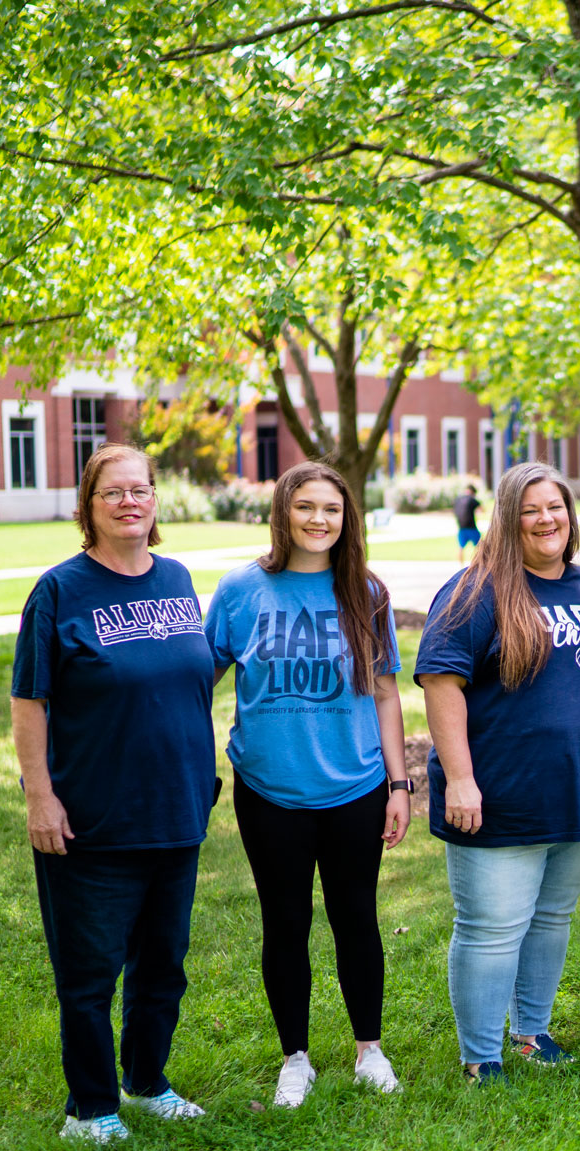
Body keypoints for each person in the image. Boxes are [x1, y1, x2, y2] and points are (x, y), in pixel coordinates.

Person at [9, 444, 218, 1144]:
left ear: (156, 502)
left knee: (164, 965)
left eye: (142, 490)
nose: (130, 502)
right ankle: (91, 1108)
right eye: (113, 492)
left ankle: (148, 1083)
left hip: (177, 808)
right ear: (87, 507)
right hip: (92, 818)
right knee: (89, 972)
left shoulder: (179, 577)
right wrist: (40, 796)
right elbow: (30, 701)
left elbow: (185, 680)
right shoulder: (61, 590)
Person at [205, 462, 413, 1108]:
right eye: (305, 507)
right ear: (283, 513)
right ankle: (294, 1057)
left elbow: (384, 694)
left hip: (355, 786)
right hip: (269, 792)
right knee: (284, 922)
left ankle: (368, 1051)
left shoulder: (366, 594)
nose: (319, 519)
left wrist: (400, 784)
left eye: (331, 508)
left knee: (357, 918)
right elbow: (195, 681)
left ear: (346, 517)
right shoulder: (242, 590)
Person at [416, 462, 580, 1084]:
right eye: (530, 509)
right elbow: (440, 682)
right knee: (491, 928)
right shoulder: (473, 591)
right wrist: (460, 779)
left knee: (552, 916)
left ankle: (531, 1031)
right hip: (500, 793)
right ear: (507, 518)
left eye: (555, 506)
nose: (546, 519)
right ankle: (481, 1056)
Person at [453, 483, 482, 565]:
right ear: (473, 492)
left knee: (461, 548)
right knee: (480, 547)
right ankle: (478, 565)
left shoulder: (458, 499)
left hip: (461, 528)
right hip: (472, 527)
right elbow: (481, 510)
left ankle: (460, 566)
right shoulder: (472, 499)